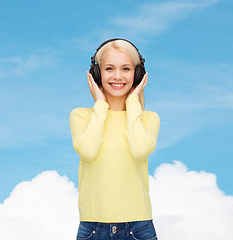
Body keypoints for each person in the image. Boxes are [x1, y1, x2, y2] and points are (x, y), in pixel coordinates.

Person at [70, 38, 160, 240]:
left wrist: (133, 102)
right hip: (92, 229)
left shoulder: (148, 119)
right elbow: (88, 151)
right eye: (109, 68)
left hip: (138, 228)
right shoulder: (81, 116)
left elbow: (139, 151)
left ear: (137, 75)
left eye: (126, 69)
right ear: (96, 74)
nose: (117, 76)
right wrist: (100, 105)